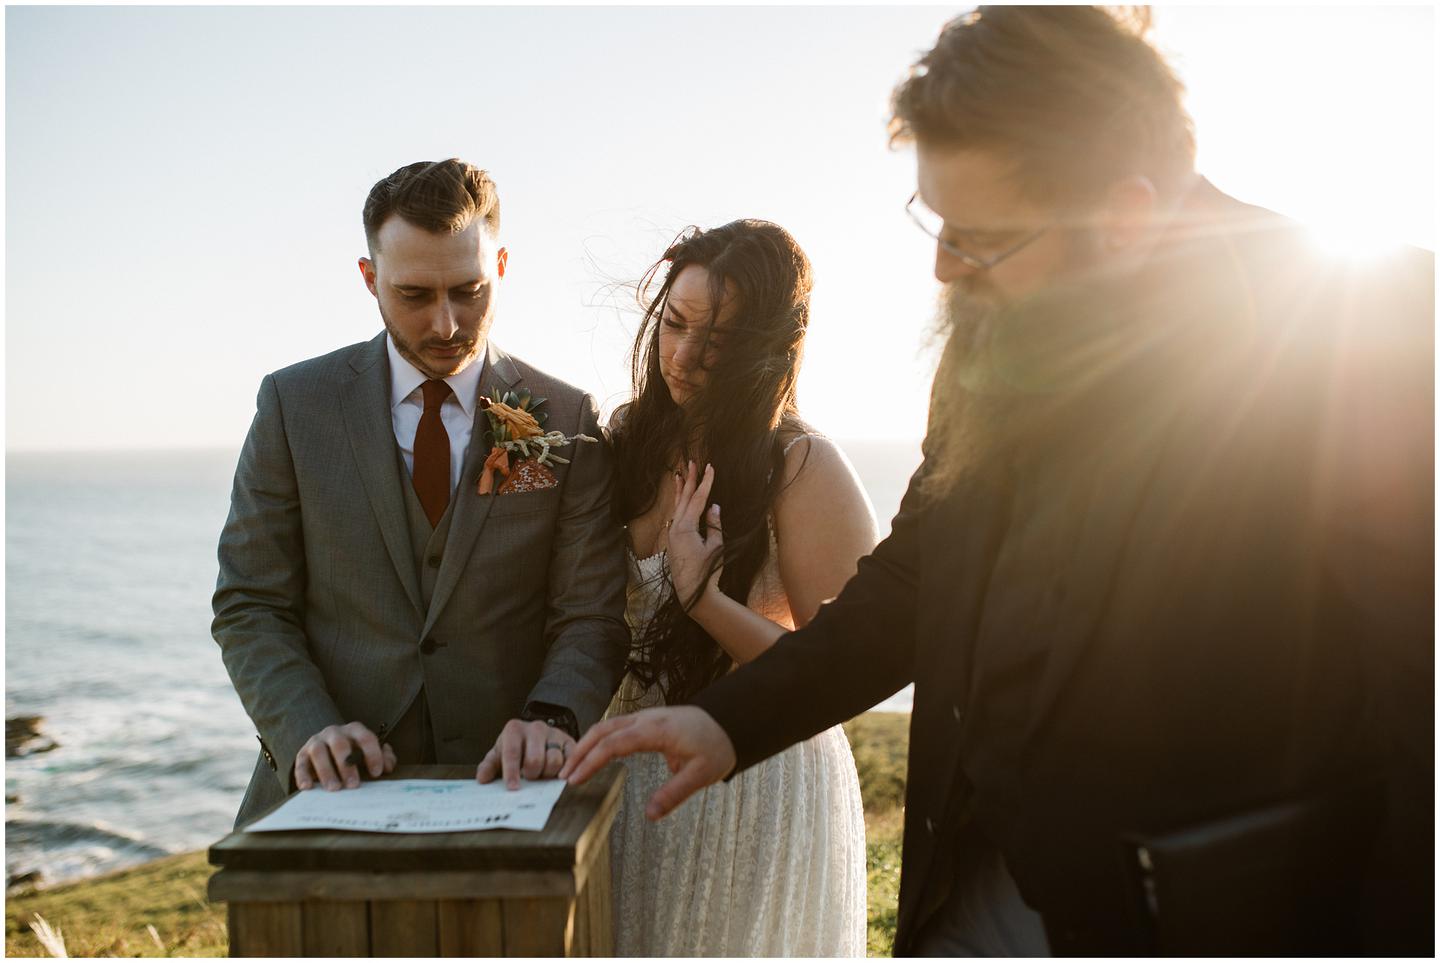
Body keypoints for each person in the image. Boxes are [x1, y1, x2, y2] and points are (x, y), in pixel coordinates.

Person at [562, 7, 1434, 956]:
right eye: (934, 220)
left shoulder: (1363, 327)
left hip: (1225, 913)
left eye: (977, 236)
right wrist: (731, 722)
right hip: (976, 891)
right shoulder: (986, 341)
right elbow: (912, 581)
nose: (942, 267)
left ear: (1128, 217)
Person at [213, 158, 628, 827]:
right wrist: (307, 731)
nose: (445, 324)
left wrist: (552, 715)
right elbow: (250, 602)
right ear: (369, 278)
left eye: (468, 291)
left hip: (511, 796)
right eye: (414, 296)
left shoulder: (560, 416)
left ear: (502, 267)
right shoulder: (295, 406)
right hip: (328, 799)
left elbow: (591, 613)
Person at [598, 220, 873, 956]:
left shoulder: (803, 466)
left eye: (716, 339)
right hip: (631, 781)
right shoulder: (627, 440)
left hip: (758, 780)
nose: (684, 357)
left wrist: (705, 601)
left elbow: (841, 671)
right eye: (674, 324)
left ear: (767, 348)